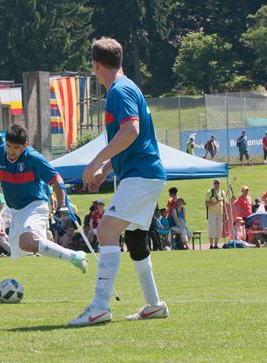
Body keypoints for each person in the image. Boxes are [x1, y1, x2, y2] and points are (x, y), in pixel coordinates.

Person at [70, 38, 168, 327]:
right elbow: (130, 140)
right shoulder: (129, 87)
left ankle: (99, 307)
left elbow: (131, 131)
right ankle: (155, 305)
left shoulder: (118, 91)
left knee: (105, 231)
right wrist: (107, 168)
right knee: (136, 238)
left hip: (141, 174)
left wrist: (95, 161)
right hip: (144, 173)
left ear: (95, 65)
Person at [0, 124, 87, 272]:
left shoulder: (33, 158)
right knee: (18, 251)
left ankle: (75, 256)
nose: (11, 151)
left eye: (16, 147)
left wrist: (62, 205)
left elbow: (57, 180)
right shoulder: (0, 153)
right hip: (15, 210)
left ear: (25, 145)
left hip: (35, 205)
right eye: (9, 146)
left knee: (27, 242)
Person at [205, 179, 226, 249]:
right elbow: (206, 203)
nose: (217, 185)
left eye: (218, 183)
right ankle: (211, 245)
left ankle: (216, 244)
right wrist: (215, 202)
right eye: (215, 183)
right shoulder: (210, 192)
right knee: (212, 228)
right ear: (213, 184)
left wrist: (226, 214)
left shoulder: (222, 192)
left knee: (219, 229)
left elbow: (224, 204)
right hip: (212, 213)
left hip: (220, 213)